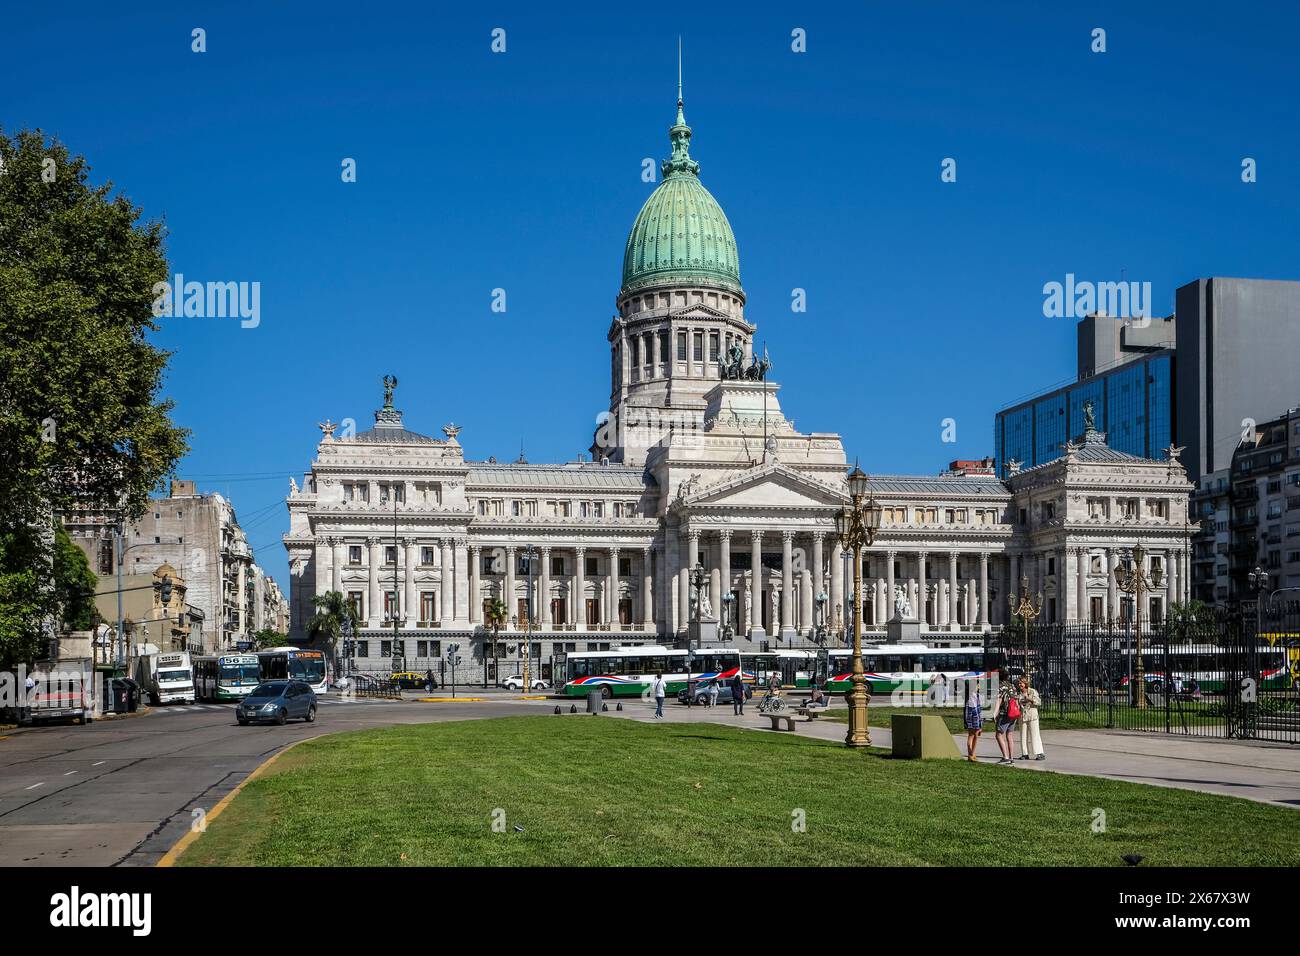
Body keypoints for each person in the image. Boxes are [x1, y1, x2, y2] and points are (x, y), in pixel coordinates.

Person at [1015, 676, 1045, 761]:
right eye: (1019, 683)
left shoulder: (1032, 691)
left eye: (1021, 683)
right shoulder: (1018, 693)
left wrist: (1030, 699)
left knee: (1035, 734)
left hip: (1032, 716)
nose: (1019, 684)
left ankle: (1040, 753)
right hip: (1022, 716)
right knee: (1023, 735)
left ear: (1025, 683)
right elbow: (1017, 705)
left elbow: (1039, 702)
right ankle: (1025, 753)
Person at [994, 667, 1017, 765]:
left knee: (999, 734)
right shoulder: (1012, 686)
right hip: (1014, 713)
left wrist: (995, 713)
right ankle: (1011, 758)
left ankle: (1005, 757)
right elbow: (1015, 698)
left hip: (1005, 713)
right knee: (1009, 735)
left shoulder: (1000, 686)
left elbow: (999, 700)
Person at [962, 678, 983, 762]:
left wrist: (981, 721)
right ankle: (970, 754)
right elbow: (968, 711)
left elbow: (979, 709)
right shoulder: (969, 697)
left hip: (977, 717)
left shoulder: (976, 695)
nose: (979, 686)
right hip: (971, 718)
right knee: (971, 735)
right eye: (978, 684)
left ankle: (973, 754)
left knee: (976, 735)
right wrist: (967, 722)